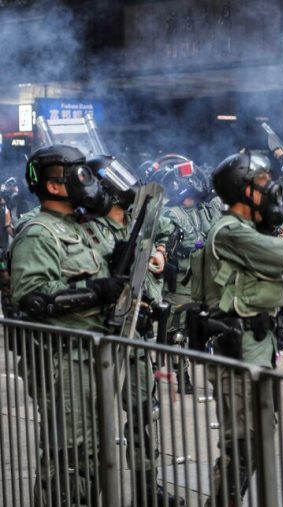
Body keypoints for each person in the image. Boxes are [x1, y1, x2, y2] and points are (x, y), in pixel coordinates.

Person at [192, 150, 283, 504]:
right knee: (243, 443)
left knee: (255, 438)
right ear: (241, 190)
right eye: (261, 182)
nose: (270, 189)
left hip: (256, 346)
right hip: (236, 349)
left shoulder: (247, 229)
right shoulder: (230, 232)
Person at [9, 145, 124, 505]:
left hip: (93, 355)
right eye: (79, 174)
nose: (86, 181)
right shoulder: (38, 233)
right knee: (71, 454)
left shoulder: (84, 228)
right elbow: (35, 298)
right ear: (55, 186)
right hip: (63, 360)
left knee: (94, 450)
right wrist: (95, 291)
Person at [81, 155, 182, 505]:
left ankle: (146, 488)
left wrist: (160, 251)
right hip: (104, 335)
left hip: (137, 334)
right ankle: (86, 491)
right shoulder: (89, 230)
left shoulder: (135, 221)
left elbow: (166, 228)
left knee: (141, 415)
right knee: (93, 424)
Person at [160, 162, 212, 393]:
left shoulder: (201, 210)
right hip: (181, 280)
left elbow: (212, 232)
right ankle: (182, 376)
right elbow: (181, 244)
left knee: (204, 328)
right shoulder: (170, 214)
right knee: (177, 332)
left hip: (203, 279)